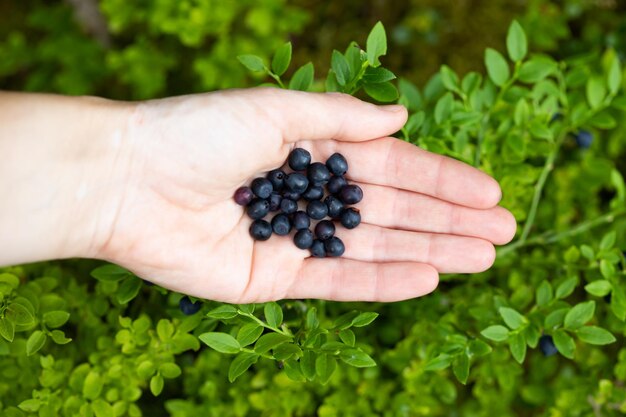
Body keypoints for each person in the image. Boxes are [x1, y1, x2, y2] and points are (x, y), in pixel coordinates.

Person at [0, 88, 516, 303]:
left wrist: (121, 171)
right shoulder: (288, 200)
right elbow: (301, 199)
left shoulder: (300, 205)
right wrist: (125, 167)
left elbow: (310, 202)